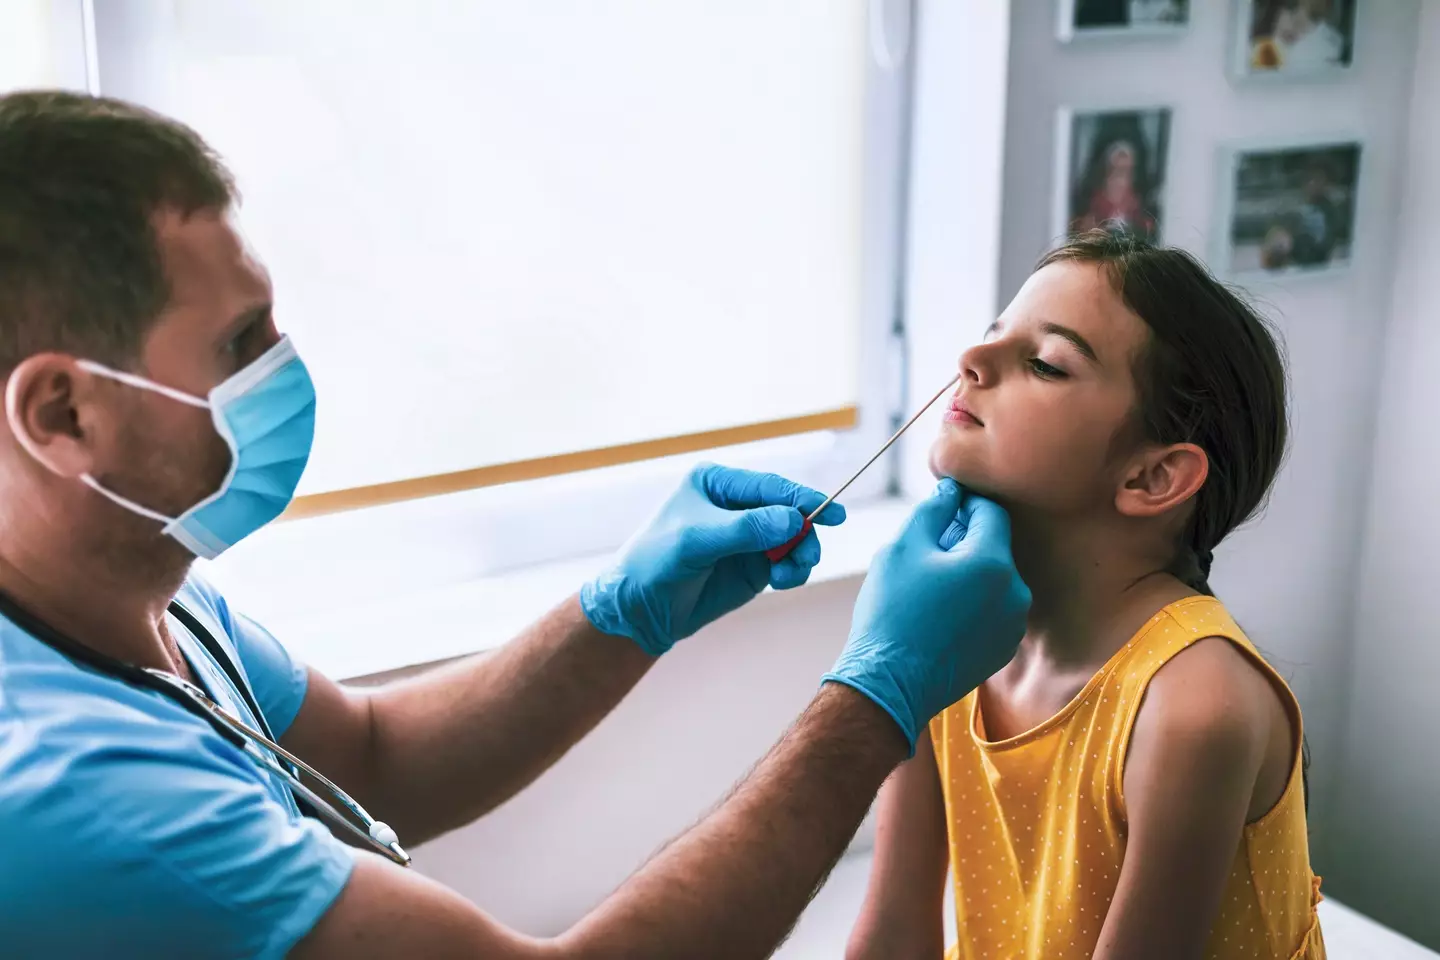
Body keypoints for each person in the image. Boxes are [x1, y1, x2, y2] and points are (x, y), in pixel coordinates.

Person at [0, 91, 1031, 959]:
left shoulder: (135, 579)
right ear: (62, 414)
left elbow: (375, 754)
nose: (285, 364)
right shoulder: (81, 801)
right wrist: (875, 701)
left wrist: (624, 611)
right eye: (240, 341)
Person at [846, 230, 1325, 959]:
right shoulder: (940, 637)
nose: (970, 362)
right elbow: (891, 935)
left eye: (1045, 363)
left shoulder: (1195, 709)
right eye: (989, 338)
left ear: (1153, 477)